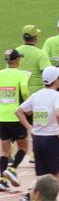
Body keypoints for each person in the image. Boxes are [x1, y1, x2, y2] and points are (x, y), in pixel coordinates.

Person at [16, 67, 59, 179]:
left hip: (38, 139)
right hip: (52, 138)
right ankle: (51, 196)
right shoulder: (58, 96)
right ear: (56, 80)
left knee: (41, 175)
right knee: (54, 174)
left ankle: (33, 195)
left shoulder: (36, 95)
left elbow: (19, 111)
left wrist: (29, 127)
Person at [0, 49, 30, 190]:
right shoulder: (21, 74)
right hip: (16, 116)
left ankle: (1, 179)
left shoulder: (0, 74)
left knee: (5, 151)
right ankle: (12, 169)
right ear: (17, 60)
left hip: (2, 117)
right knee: (23, 147)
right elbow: (24, 91)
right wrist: (28, 103)